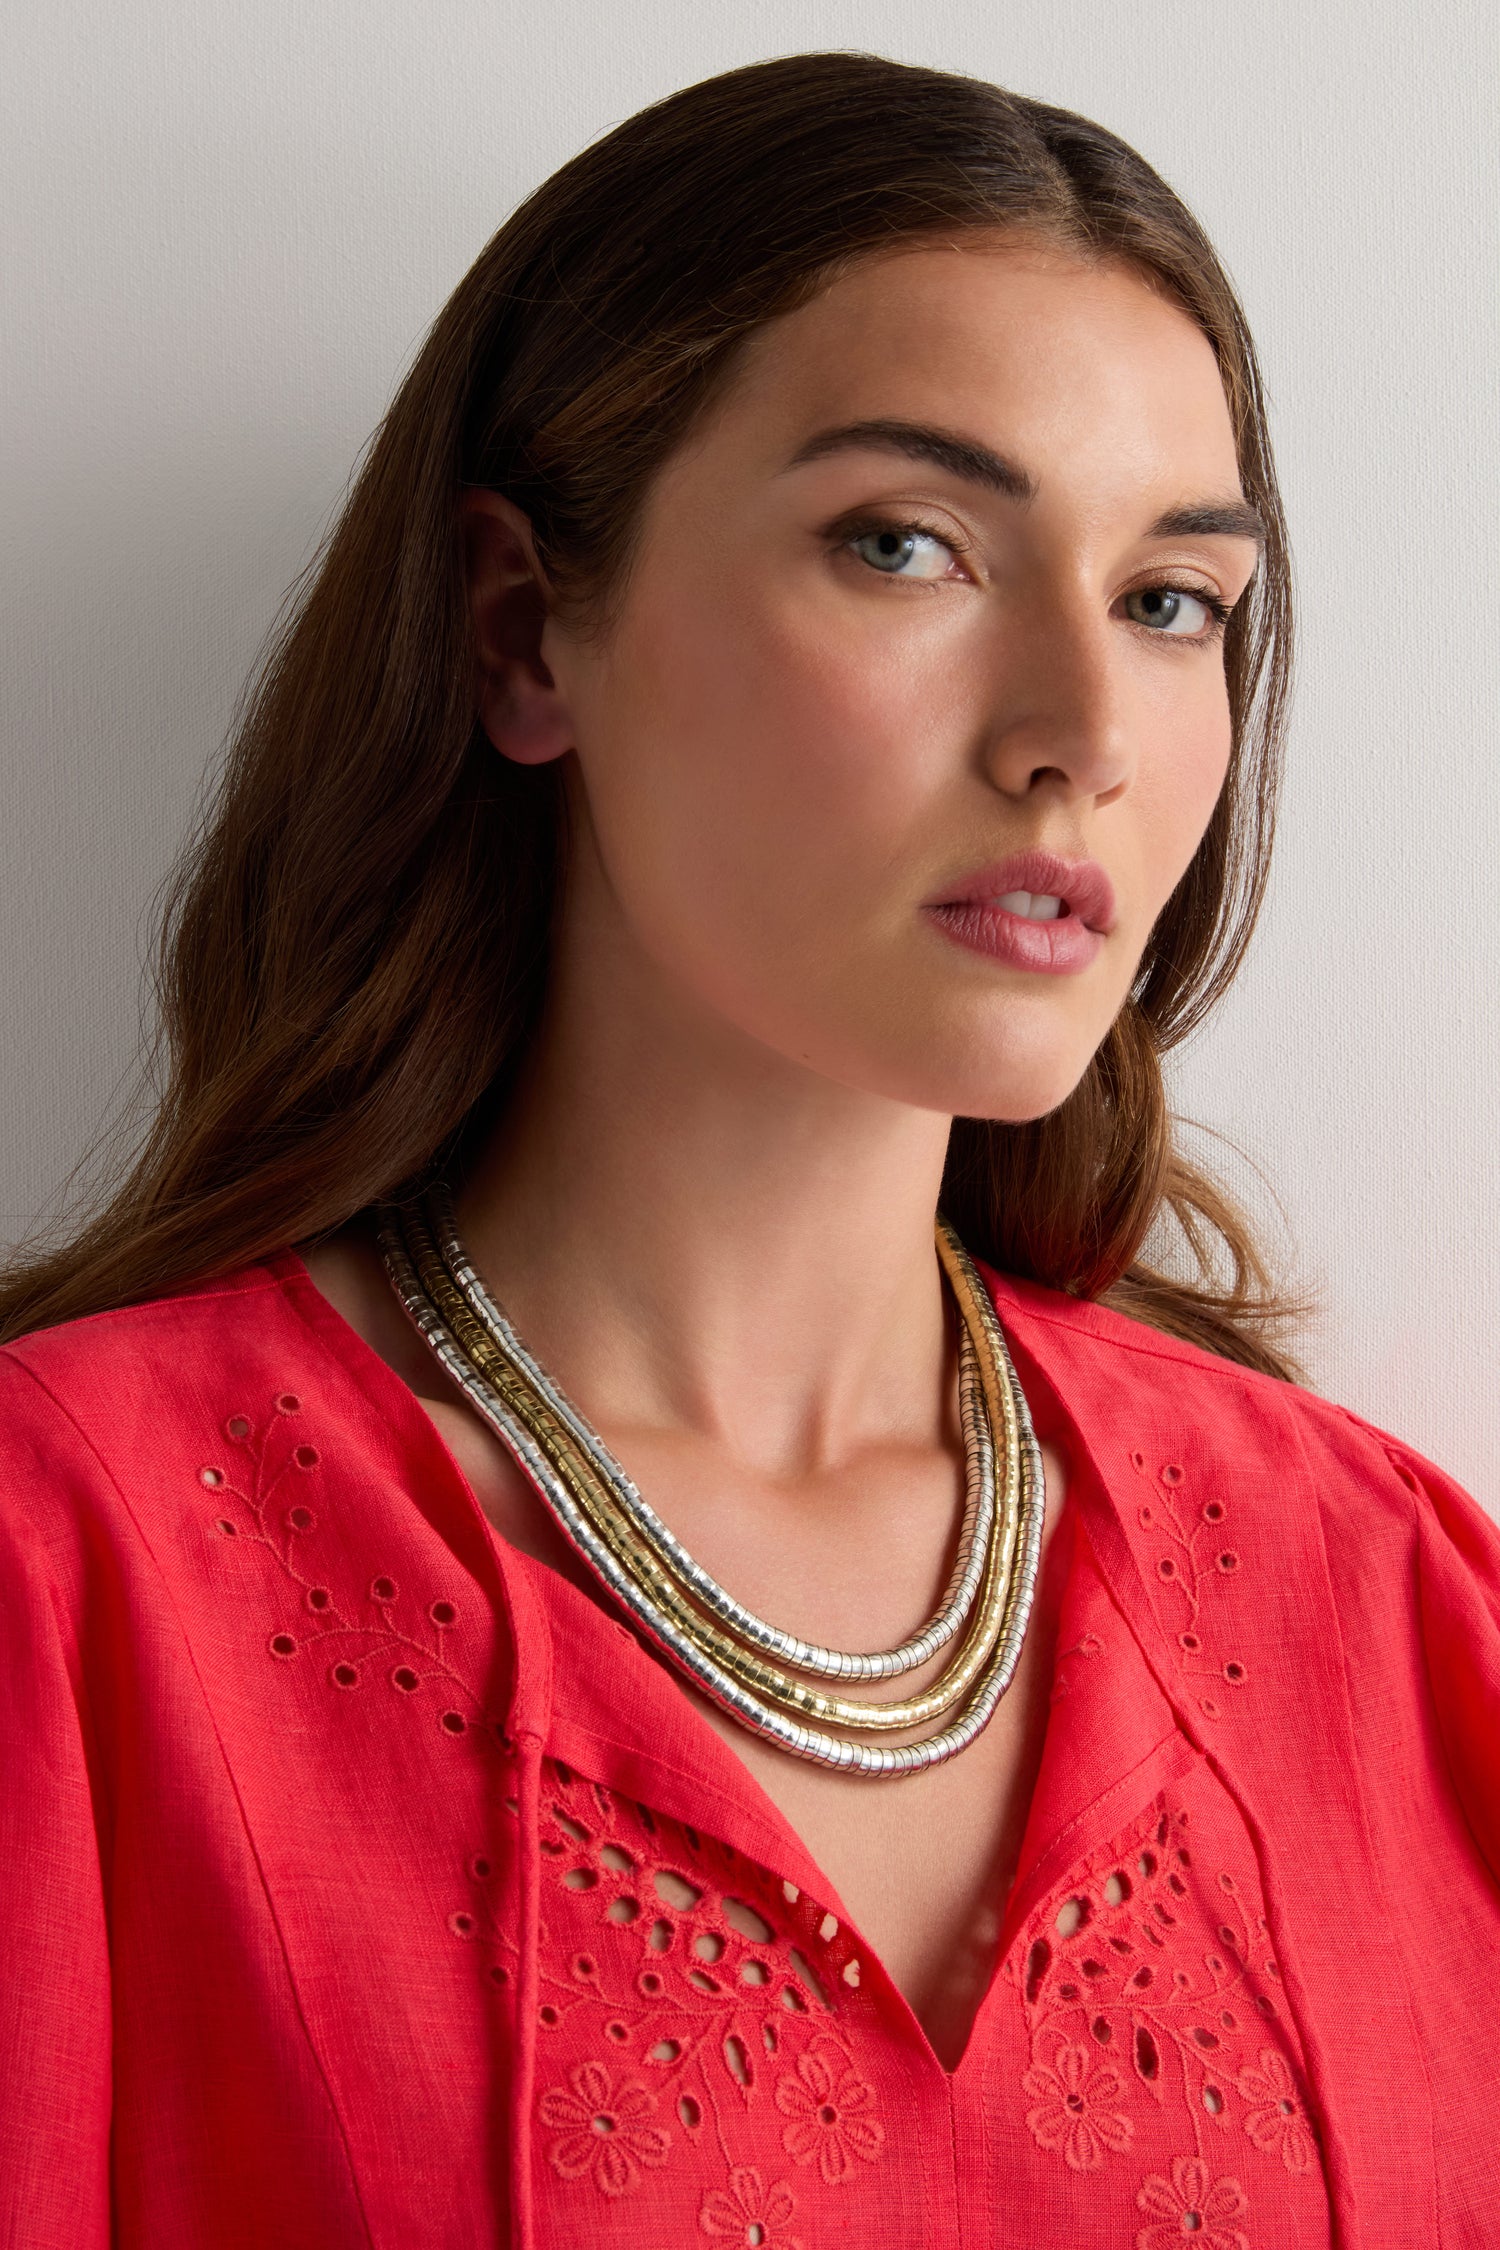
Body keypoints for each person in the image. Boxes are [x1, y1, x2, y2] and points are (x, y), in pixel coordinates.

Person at [1, 50, 1494, 2250]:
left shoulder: (1385, 1601)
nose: (1081, 733)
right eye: (908, 545)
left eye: (1175, 598)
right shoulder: (72, 1575)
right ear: (525, 628)